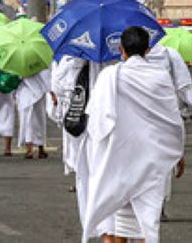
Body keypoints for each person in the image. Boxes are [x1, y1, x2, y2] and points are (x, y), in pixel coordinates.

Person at [77, 27, 185, 243]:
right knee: (147, 221)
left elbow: (96, 120)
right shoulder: (160, 76)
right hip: (151, 157)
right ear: (148, 49)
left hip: (117, 157)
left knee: (117, 219)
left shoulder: (109, 76)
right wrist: (179, 153)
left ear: (120, 49)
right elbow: (173, 120)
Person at [15, 68, 51, 159]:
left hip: (25, 93)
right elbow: (46, 79)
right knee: (39, 121)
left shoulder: (19, 63)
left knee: (26, 121)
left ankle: (29, 150)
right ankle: (40, 149)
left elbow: (16, 78)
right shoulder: (40, 63)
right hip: (38, 93)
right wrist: (52, 92)